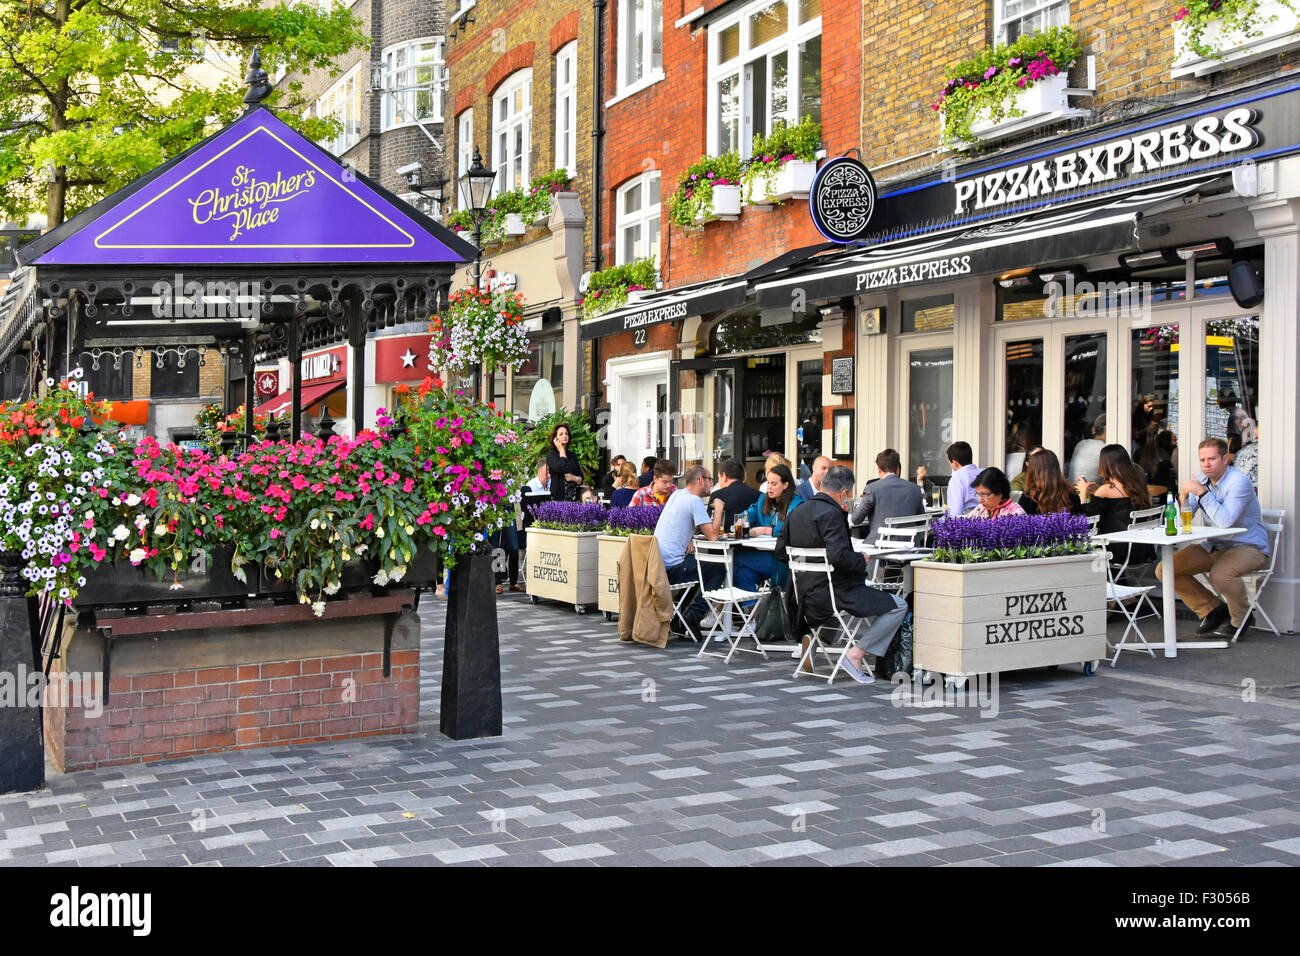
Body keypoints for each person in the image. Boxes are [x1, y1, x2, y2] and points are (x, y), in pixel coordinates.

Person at [776, 465, 908, 684]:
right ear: (844, 493)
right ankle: (855, 655)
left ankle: (815, 635)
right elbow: (839, 557)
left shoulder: (797, 511)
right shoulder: (832, 514)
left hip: (802, 594)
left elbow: (781, 552)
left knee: (860, 600)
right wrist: (860, 560)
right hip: (835, 593)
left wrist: (810, 564)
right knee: (897, 606)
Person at [1157, 437, 1270, 638]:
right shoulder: (1200, 480)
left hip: (1248, 547)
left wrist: (1201, 493)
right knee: (1165, 569)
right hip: (1215, 546)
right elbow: (1184, 520)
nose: (1206, 464)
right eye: (1202, 460)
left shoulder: (1239, 482)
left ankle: (1241, 618)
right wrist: (1183, 497)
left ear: (1226, 458)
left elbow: (1225, 521)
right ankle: (1212, 609)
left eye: (1212, 459)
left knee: (1220, 574)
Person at [653, 464, 721, 638]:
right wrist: (719, 509)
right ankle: (693, 616)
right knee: (718, 568)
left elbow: (678, 523)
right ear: (700, 480)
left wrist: (689, 538)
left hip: (659, 566)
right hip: (674, 568)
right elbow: (713, 535)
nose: (711, 484)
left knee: (698, 567)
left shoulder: (678, 495)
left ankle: (680, 619)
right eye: (710, 480)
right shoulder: (695, 501)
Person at [1074, 444, 1154, 568]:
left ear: (1106, 465)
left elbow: (1087, 522)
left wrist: (1083, 493)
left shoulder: (1106, 490)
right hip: (1141, 549)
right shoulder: (1137, 487)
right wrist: (1096, 492)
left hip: (1116, 551)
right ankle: (1119, 583)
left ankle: (1112, 583)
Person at [732, 464, 804, 592]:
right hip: (767, 552)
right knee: (742, 573)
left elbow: (791, 530)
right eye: (768, 482)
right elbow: (749, 514)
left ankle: (744, 607)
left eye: (774, 484)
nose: (769, 487)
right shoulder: (763, 499)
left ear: (786, 485)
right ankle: (752, 609)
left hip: (787, 558)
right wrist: (741, 520)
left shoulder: (797, 504)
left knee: (737, 559)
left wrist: (765, 530)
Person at [850, 448, 925, 544]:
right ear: (898, 469)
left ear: (879, 469)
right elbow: (921, 521)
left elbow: (856, 519)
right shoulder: (915, 489)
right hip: (909, 545)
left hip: (879, 545)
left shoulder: (872, 489)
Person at [1019, 449, 1080, 516]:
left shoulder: (1029, 497)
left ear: (1034, 471)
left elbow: (1021, 523)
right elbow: (1079, 520)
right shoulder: (1071, 493)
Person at [708, 458, 760, 531]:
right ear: (743, 477)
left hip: (723, 540)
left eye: (719, 477)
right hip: (754, 540)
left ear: (724, 476)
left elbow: (709, 526)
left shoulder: (717, 495)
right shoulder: (759, 495)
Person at [546, 423, 584, 502]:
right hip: (558, 499)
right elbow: (561, 468)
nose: (564, 436)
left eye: (566, 434)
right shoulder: (551, 454)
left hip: (573, 498)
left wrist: (574, 478)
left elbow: (581, 478)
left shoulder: (572, 455)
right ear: (555, 438)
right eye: (561, 434)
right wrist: (561, 449)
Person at [943, 441, 982, 517]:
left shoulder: (957, 479)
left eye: (950, 463)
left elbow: (955, 514)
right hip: (991, 522)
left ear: (954, 462)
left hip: (967, 524)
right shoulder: (985, 473)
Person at [1228, 409, 1259, 487]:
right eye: (1236, 419)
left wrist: (1235, 457)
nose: (1238, 421)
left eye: (1241, 418)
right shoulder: (1234, 440)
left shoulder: (1257, 436)